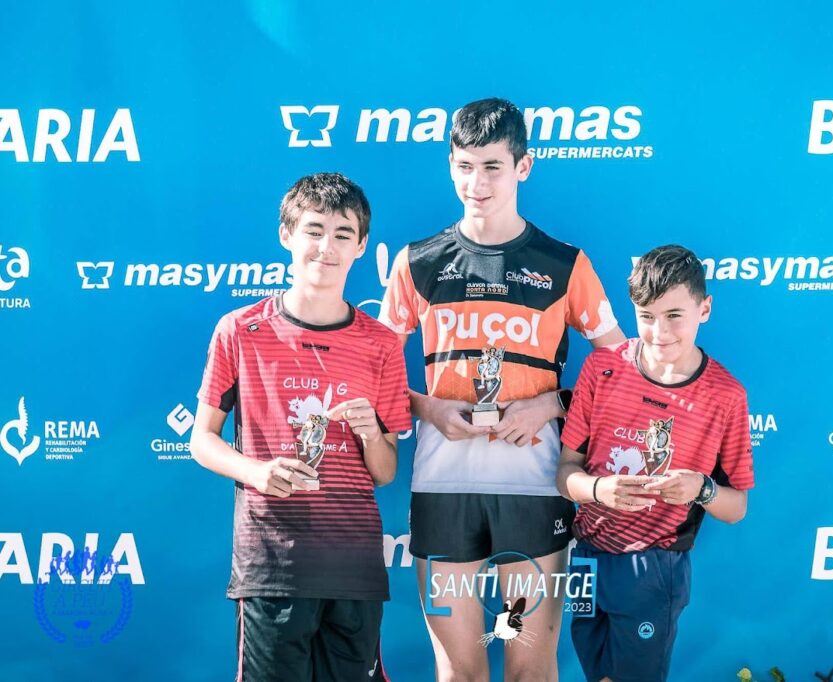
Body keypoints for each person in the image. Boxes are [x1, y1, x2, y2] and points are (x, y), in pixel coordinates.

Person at [378, 97, 625, 681]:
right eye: (465, 166)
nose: (477, 183)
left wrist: (552, 404)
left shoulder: (564, 265)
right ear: (450, 166)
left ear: (524, 166)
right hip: (443, 487)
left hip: (534, 487)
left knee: (529, 669)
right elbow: (374, 374)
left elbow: (621, 371)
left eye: (492, 166)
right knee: (459, 672)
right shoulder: (418, 263)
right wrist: (426, 406)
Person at [190, 173, 412, 682]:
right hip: (272, 567)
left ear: (361, 246)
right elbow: (201, 440)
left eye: (342, 233)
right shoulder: (240, 330)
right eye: (314, 230)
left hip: (354, 570)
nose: (326, 247)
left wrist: (370, 434)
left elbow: (384, 472)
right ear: (287, 235)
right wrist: (256, 472)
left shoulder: (381, 343)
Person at [556, 244, 754, 682]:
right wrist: (598, 489)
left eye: (674, 316)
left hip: (653, 566)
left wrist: (701, 488)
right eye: (646, 316)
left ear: (705, 309)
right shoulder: (602, 368)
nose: (659, 332)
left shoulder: (726, 395)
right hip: (586, 556)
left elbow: (736, 507)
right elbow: (565, 473)